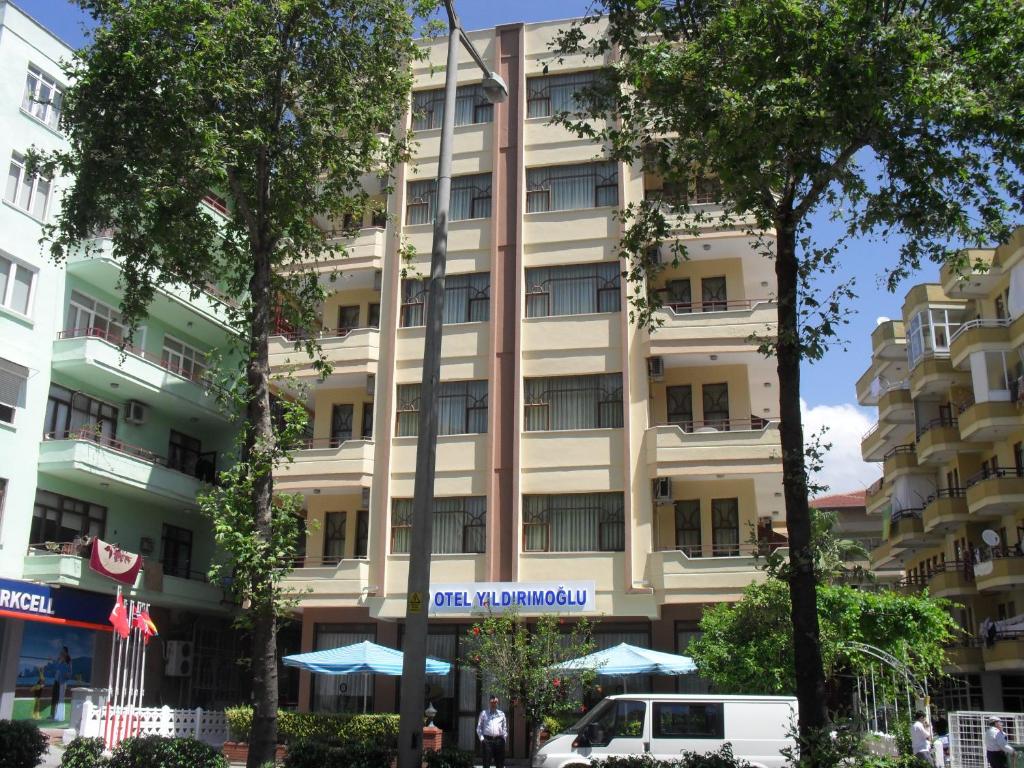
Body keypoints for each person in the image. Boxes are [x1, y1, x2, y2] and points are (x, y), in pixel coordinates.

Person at [476, 694, 508, 768]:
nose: (494, 704)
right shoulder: (484, 713)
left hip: (499, 741)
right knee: (486, 763)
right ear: (489, 703)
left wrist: (504, 739)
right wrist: (482, 739)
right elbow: (479, 728)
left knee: (500, 764)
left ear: (498, 703)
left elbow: (504, 728)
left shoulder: (501, 714)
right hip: (487, 741)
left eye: (495, 702)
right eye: (492, 702)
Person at [50, 647, 72, 722]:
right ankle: (54, 715)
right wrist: (55, 661)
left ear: (65, 652)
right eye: (61, 652)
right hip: (57, 680)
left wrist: (65, 674)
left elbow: (69, 672)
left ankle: (60, 717)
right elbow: (56, 668)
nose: (61, 653)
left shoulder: (67, 661)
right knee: (55, 698)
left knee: (60, 698)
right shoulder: (60, 660)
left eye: (62, 652)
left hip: (62, 682)